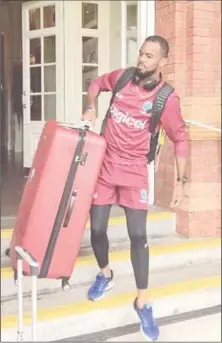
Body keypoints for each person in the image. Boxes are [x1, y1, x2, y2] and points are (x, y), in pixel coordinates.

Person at [82, 35, 188, 341]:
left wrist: (181, 182)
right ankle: (106, 275)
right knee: (98, 230)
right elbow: (95, 84)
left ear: (163, 62)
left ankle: (142, 302)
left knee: (138, 236)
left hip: (134, 173)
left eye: (150, 56)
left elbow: (180, 138)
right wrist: (90, 106)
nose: (142, 60)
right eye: (141, 54)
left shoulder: (166, 99)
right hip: (105, 166)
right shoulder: (122, 77)